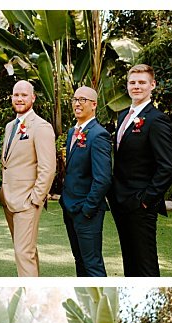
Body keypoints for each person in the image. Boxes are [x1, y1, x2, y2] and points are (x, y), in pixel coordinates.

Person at [109, 63, 172, 276]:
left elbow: (168, 166)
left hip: (140, 204)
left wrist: (146, 199)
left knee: (145, 265)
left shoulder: (157, 120)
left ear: (152, 85)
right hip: (120, 201)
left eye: (141, 82)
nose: (136, 87)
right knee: (130, 262)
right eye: (132, 82)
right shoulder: (122, 117)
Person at [0, 80, 56, 276]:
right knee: (27, 251)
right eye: (16, 95)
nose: (19, 98)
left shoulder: (41, 126)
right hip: (9, 198)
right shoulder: (9, 126)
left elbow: (47, 167)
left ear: (33, 97)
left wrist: (35, 199)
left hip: (27, 201)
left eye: (24, 95)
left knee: (23, 253)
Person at [61, 86, 112, 277]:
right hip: (70, 208)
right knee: (79, 261)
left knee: (92, 264)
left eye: (82, 100)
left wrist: (88, 208)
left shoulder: (99, 135)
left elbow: (103, 178)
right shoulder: (71, 133)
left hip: (87, 211)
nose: (77, 104)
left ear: (94, 104)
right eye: (75, 99)